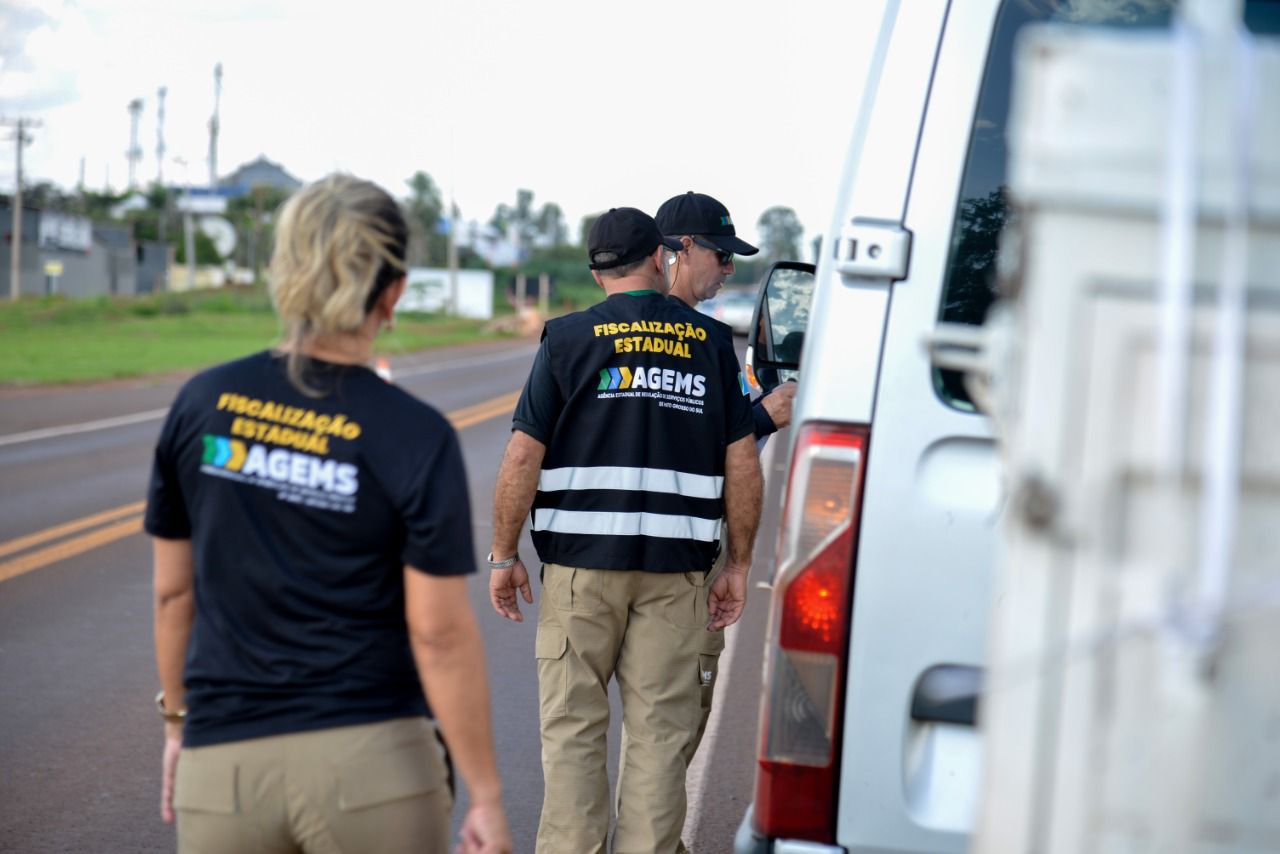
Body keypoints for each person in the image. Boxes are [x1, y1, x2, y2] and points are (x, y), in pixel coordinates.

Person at [147, 174, 511, 854]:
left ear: (286, 270)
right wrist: (486, 793)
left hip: (223, 770)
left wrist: (177, 726)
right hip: (373, 767)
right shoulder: (414, 433)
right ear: (394, 291)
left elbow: (173, 593)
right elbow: (438, 635)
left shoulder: (200, 402)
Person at [488, 207, 764, 853]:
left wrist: (504, 554)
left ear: (595, 270)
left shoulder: (565, 338)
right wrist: (740, 564)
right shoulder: (711, 344)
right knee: (661, 744)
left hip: (581, 576)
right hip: (677, 578)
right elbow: (742, 462)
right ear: (659, 257)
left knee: (574, 739)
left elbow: (522, 456)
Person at [655, 191, 796, 441]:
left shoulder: (623, 325)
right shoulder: (704, 340)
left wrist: (765, 407)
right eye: (724, 255)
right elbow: (692, 442)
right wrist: (764, 418)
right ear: (686, 247)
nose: (730, 268)